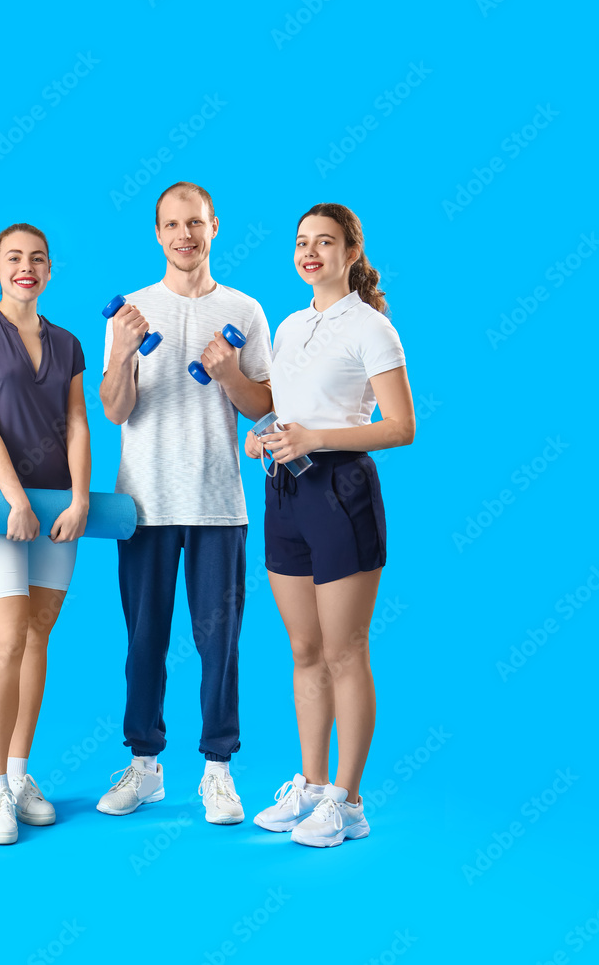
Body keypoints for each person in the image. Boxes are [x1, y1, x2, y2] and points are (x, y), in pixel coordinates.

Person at [98, 182, 272, 825]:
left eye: (194, 223)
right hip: (142, 504)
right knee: (144, 640)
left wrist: (228, 374)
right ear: (157, 232)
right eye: (172, 224)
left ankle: (218, 773)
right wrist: (120, 353)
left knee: (218, 641)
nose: (184, 235)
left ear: (214, 226)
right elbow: (115, 409)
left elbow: (263, 405)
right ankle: (145, 767)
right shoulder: (131, 311)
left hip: (217, 502)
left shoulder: (246, 310)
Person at [246, 203, 415, 847]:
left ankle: (349, 801)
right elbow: (280, 408)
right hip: (284, 493)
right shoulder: (290, 326)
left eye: (325, 242)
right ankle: (313, 787)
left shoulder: (370, 328)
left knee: (346, 651)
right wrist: (264, 436)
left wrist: (316, 435)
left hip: (341, 491)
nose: (310, 251)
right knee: (304, 650)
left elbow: (401, 425)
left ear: (351, 253)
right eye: (301, 242)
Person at [0, 223, 90, 845]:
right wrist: (13, 500)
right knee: (6, 638)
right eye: (13, 259)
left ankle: (21, 771)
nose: (24, 267)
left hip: (59, 504)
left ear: (49, 270)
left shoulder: (69, 343)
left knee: (38, 636)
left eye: (36, 259)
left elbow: (78, 422)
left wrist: (81, 499)